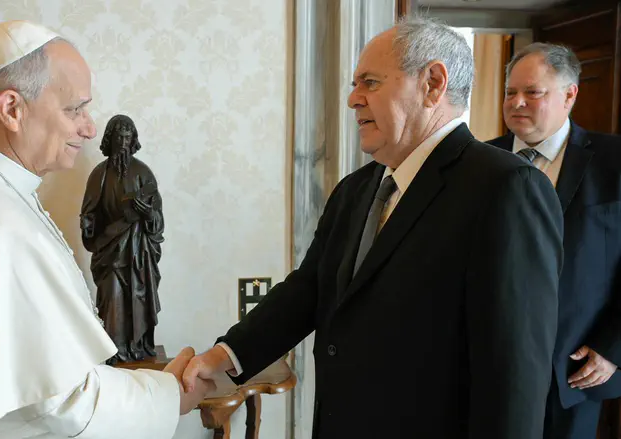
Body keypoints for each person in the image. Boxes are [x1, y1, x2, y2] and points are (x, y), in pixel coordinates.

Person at [183, 17, 563, 439]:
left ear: (433, 84)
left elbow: (515, 373)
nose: (352, 99)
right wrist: (224, 355)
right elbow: (309, 289)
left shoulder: (505, 187)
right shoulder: (357, 188)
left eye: (369, 82)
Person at [0, 20, 213, 439]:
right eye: (74, 109)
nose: (90, 128)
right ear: (12, 109)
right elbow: (66, 401)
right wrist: (170, 395)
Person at [486, 42, 621, 439]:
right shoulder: (480, 161)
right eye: (511, 92)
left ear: (569, 94)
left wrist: (614, 346)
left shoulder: (615, 161)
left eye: (533, 92)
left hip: (576, 368)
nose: (518, 102)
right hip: (490, 365)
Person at [80, 114, 165, 364]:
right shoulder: (99, 175)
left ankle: (138, 346)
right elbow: (89, 213)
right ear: (110, 139)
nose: (124, 142)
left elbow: (158, 222)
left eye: (128, 137)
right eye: (119, 136)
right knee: (113, 301)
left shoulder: (143, 173)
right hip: (110, 253)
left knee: (139, 301)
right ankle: (116, 352)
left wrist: (147, 213)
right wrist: (87, 224)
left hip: (139, 255)